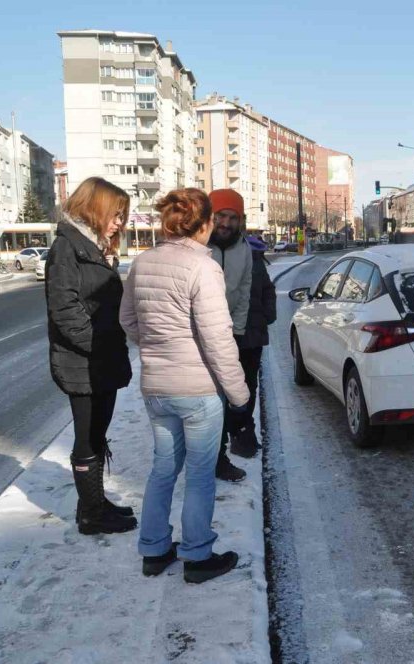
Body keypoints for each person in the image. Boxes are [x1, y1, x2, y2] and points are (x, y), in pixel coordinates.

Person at [119, 188, 250, 583]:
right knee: (198, 473)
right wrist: (239, 394)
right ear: (205, 223)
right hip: (197, 391)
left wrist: (159, 346)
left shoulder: (143, 262)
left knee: (162, 469)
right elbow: (217, 338)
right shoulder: (204, 268)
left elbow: (127, 320)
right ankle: (197, 555)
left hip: (156, 387)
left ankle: (155, 549)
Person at [45, 176, 136, 536]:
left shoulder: (92, 246)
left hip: (100, 359)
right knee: (87, 437)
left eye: (122, 216)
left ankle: (94, 504)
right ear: (94, 208)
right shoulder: (67, 248)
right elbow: (64, 308)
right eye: (115, 214)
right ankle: (92, 515)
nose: (119, 222)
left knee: (97, 434)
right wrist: (97, 344)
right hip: (83, 361)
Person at [207, 190, 255, 478]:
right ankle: (201, 458)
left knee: (223, 401)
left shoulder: (244, 248)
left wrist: (236, 332)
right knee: (204, 402)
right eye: (220, 216)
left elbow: (244, 290)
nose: (225, 223)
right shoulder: (197, 245)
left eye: (232, 217)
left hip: (228, 335)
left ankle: (218, 457)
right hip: (196, 335)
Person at [230, 233, 277, 458]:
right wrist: (267, 315)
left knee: (243, 386)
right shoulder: (249, 260)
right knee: (244, 386)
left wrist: (267, 315)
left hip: (248, 333)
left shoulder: (251, 261)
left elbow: (267, 291)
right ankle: (242, 433)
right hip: (238, 333)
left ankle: (243, 433)